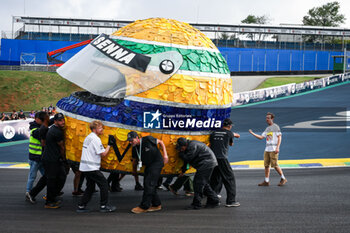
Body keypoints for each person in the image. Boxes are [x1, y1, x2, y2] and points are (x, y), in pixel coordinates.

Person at [76, 120, 116, 213]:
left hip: (86, 167)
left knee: (90, 187)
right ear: (94, 129)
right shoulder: (95, 139)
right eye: (100, 128)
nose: (102, 129)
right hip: (91, 167)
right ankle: (103, 205)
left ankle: (81, 206)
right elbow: (103, 154)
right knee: (104, 184)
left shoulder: (88, 137)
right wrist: (109, 145)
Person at [128, 131, 168, 214]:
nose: (130, 142)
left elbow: (161, 142)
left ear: (137, 138)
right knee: (149, 184)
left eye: (132, 140)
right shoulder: (134, 148)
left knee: (149, 184)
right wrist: (134, 171)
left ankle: (144, 206)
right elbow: (135, 161)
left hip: (157, 162)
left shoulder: (148, 139)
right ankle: (157, 204)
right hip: (148, 165)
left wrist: (165, 155)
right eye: (129, 141)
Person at [176, 137, 219, 210]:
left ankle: (197, 204)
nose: (180, 149)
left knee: (198, 184)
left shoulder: (192, 146)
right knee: (204, 183)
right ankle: (214, 200)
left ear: (184, 145)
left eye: (181, 148)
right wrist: (183, 171)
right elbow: (187, 162)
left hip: (206, 164)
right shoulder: (190, 146)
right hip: (208, 163)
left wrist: (181, 154)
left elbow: (188, 158)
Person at [249, 112, 287, 186]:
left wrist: (277, 147)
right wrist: (252, 133)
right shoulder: (267, 128)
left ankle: (283, 178)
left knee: (275, 165)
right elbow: (261, 137)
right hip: (267, 149)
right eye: (266, 118)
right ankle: (266, 181)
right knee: (266, 165)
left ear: (272, 119)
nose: (267, 119)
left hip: (273, 149)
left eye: (268, 118)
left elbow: (279, 137)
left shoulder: (275, 127)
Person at [209, 118, 240, 207]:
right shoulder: (229, 133)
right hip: (222, 158)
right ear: (229, 126)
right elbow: (231, 144)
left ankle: (213, 199)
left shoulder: (213, 133)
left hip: (213, 158)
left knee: (215, 178)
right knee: (230, 178)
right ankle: (231, 201)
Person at [41, 113, 68, 209]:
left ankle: (52, 196)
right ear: (55, 121)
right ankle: (49, 202)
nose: (63, 122)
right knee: (51, 180)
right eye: (60, 120)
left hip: (53, 158)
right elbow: (61, 147)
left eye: (63, 120)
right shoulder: (56, 132)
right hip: (51, 159)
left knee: (61, 176)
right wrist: (64, 159)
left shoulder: (53, 129)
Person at [25, 112, 46, 201]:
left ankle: (29, 192)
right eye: (42, 120)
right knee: (32, 176)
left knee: (46, 176)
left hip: (40, 158)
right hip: (35, 158)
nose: (43, 122)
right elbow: (40, 134)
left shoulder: (37, 127)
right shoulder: (35, 130)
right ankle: (28, 192)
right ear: (37, 119)